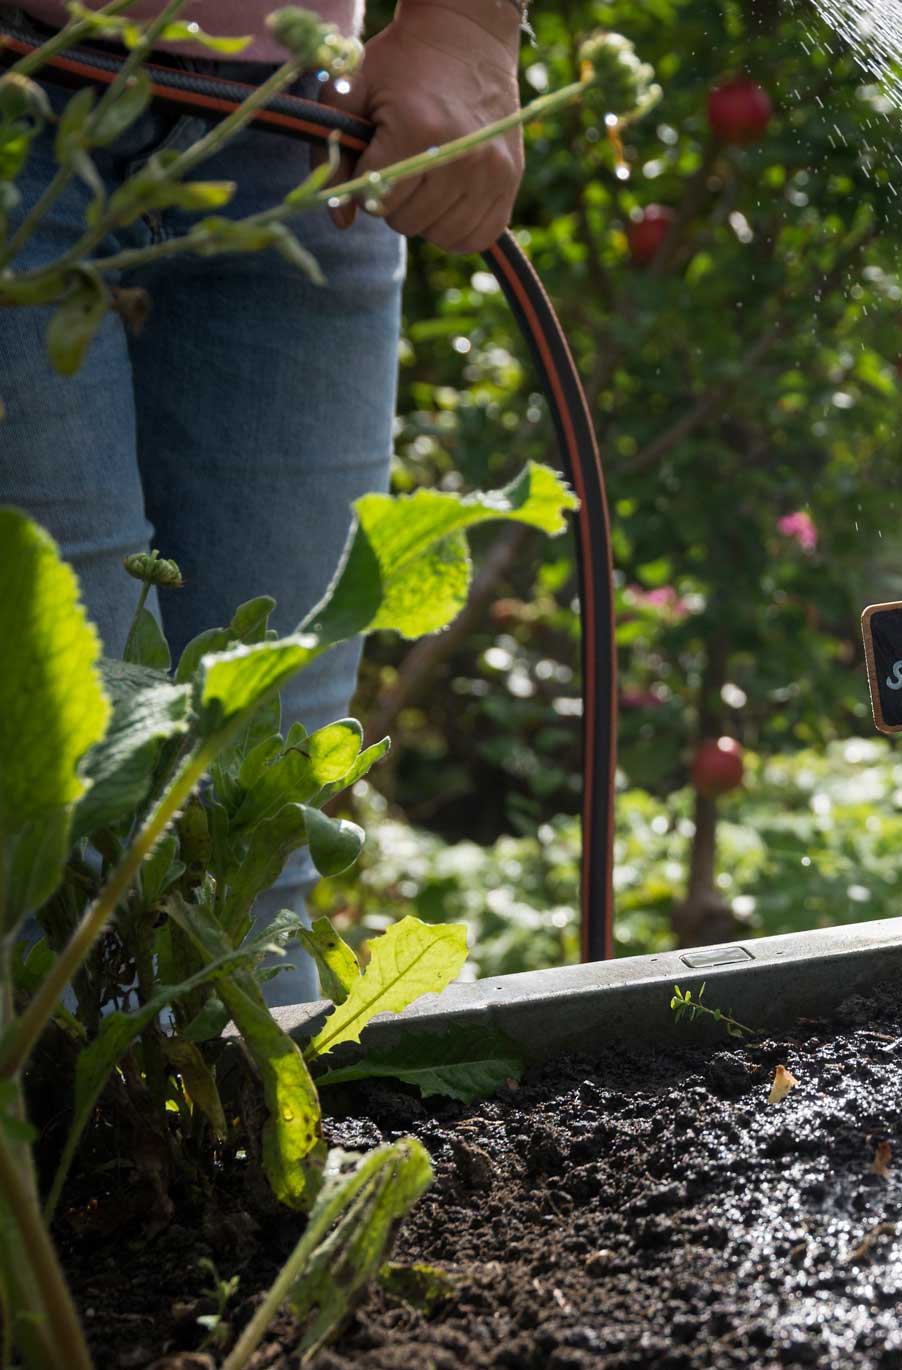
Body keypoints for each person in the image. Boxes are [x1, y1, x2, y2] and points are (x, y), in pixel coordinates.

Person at [0, 0, 528, 1002]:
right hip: (20, 91)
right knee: (38, 824)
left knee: (249, 856)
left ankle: (217, 1160)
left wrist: (468, 23)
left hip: (303, 138)